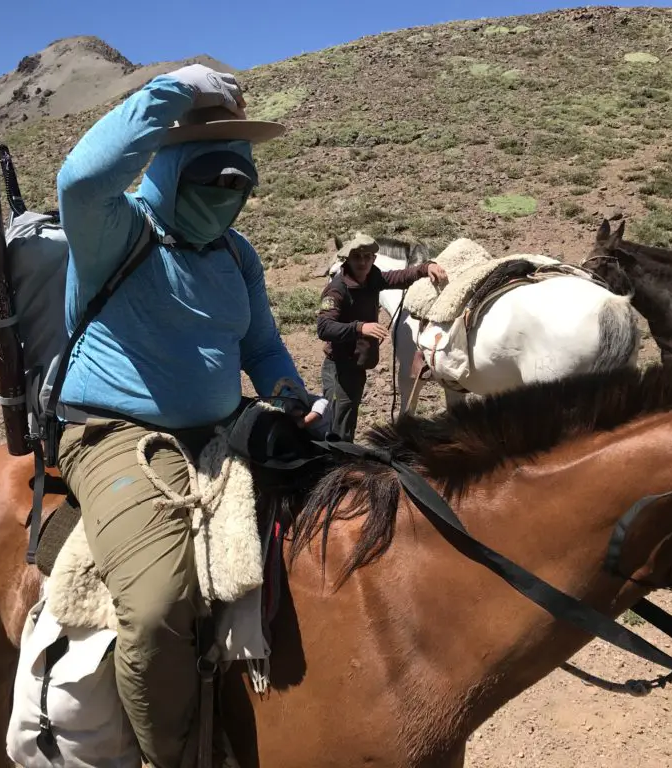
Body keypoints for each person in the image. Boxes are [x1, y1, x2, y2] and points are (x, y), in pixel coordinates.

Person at [54, 64, 328, 767]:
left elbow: (262, 343)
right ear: (172, 169)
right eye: (212, 178)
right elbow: (81, 180)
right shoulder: (117, 230)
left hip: (219, 428)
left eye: (239, 183)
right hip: (115, 432)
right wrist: (174, 89)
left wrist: (290, 392)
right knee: (152, 607)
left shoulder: (236, 255)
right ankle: (172, 757)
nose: (227, 195)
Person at [317, 233, 446, 441]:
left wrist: (427, 267)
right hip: (340, 365)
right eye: (357, 257)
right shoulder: (337, 290)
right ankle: (338, 464)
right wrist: (360, 328)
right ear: (347, 259)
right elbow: (324, 327)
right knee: (339, 422)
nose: (362, 262)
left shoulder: (372, 279)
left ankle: (339, 460)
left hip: (355, 364)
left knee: (345, 418)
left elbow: (402, 276)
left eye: (367, 257)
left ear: (374, 260)